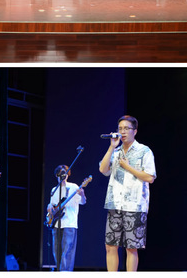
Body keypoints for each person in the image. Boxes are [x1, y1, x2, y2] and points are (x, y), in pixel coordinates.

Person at [99, 115, 156, 272]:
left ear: (134, 131)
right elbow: (103, 169)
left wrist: (128, 167)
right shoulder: (116, 152)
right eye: (120, 128)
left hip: (134, 205)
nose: (122, 132)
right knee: (110, 246)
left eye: (126, 128)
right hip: (115, 203)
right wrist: (111, 147)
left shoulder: (144, 151)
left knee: (131, 247)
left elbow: (150, 177)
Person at [46, 165, 86, 271]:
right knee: (56, 252)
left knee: (67, 252)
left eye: (65, 173)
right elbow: (52, 205)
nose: (63, 176)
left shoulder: (73, 187)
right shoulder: (54, 190)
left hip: (69, 223)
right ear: (56, 175)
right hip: (56, 224)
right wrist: (49, 207)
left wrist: (82, 194)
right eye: (61, 174)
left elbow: (83, 202)